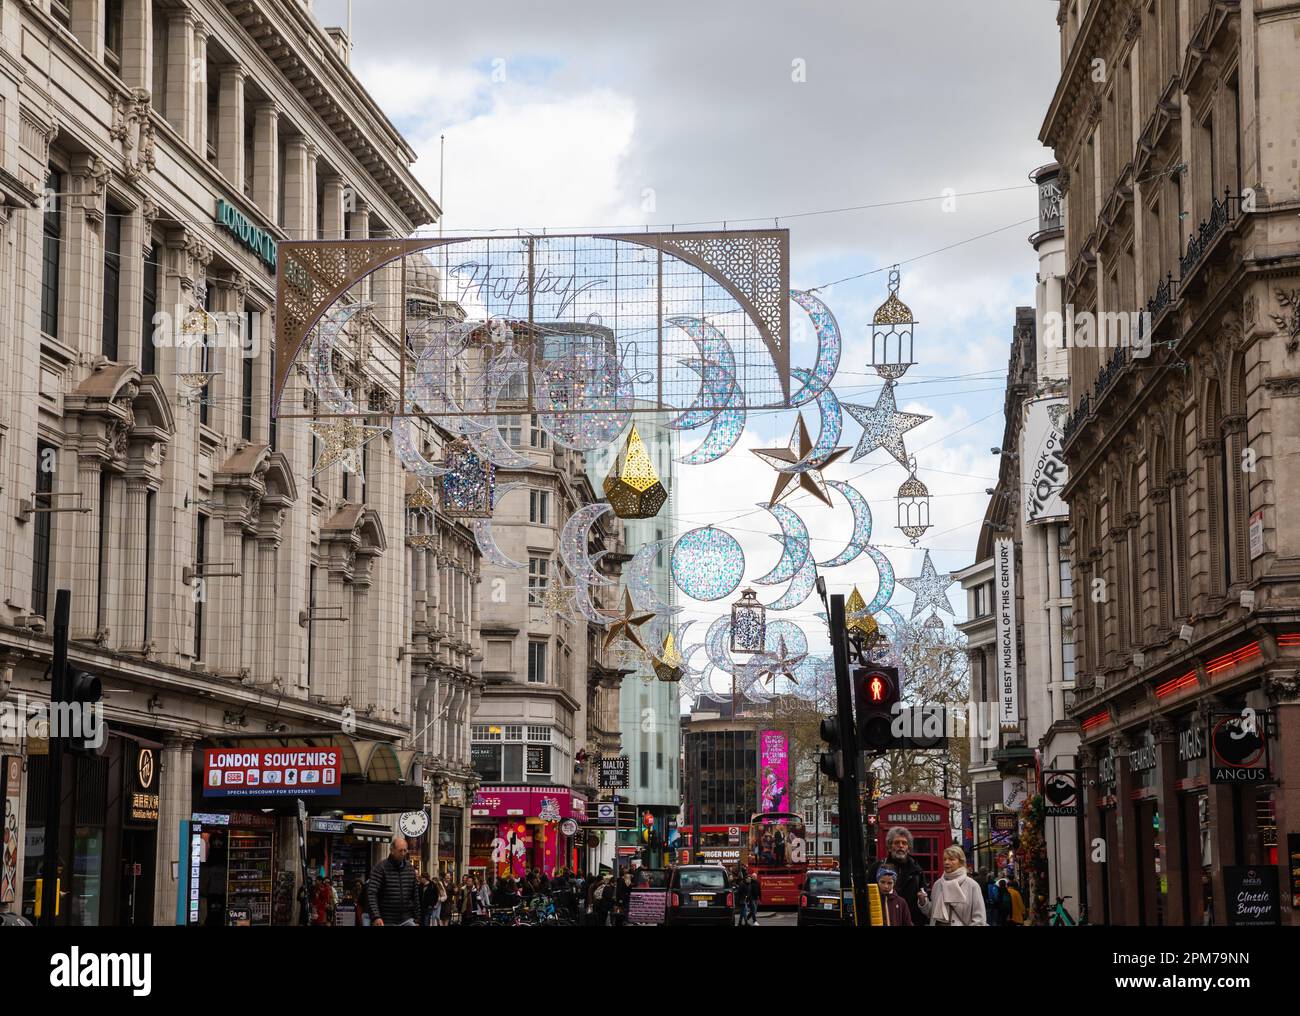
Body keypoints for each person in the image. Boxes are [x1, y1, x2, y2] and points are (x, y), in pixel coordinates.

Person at [867, 827, 927, 927]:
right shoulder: (876, 868)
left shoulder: (917, 871)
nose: (901, 846)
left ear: (908, 848)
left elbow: (923, 901)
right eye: (896, 843)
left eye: (904, 843)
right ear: (890, 847)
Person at [917, 846, 987, 926]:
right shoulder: (938, 884)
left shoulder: (972, 885)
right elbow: (932, 914)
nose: (946, 862)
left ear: (960, 862)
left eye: (951, 859)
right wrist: (923, 902)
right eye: (945, 859)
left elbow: (979, 919)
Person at [366, 837, 421, 927]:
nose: (403, 853)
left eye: (405, 850)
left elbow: (415, 895)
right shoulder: (381, 868)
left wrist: (417, 919)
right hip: (387, 919)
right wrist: (376, 916)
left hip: (407, 918)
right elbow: (372, 893)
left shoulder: (410, 869)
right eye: (400, 851)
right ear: (392, 850)